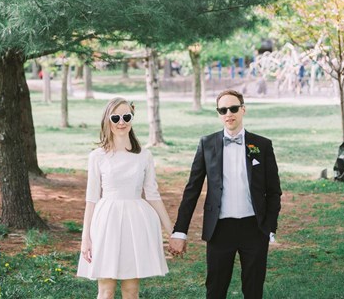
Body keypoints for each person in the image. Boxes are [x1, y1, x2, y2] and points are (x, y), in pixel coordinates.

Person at [169, 89, 281, 299]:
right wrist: (179, 231)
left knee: (254, 289)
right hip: (219, 229)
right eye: (223, 110)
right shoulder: (207, 144)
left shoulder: (262, 145)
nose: (228, 113)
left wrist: (269, 227)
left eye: (233, 108)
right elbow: (192, 189)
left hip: (254, 228)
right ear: (219, 114)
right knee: (215, 289)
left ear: (243, 110)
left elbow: (274, 191)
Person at [77, 97, 172, 299]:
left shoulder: (144, 156)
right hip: (106, 223)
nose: (122, 122)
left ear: (132, 118)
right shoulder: (97, 156)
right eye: (116, 117)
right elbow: (91, 199)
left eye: (126, 116)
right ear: (107, 120)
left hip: (135, 224)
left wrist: (172, 231)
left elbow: (153, 194)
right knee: (106, 290)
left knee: (131, 291)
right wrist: (86, 238)